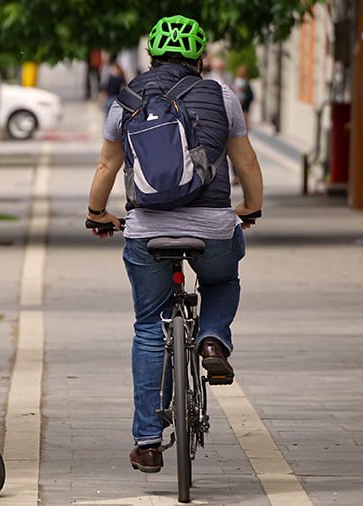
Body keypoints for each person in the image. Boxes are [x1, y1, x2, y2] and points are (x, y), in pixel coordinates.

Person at [84, 15, 264, 474]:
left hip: (146, 229)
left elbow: (107, 167)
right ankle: (210, 340)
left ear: (151, 56)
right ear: (199, 58)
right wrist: (250, 208)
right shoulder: (221, 95)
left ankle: (147, 441)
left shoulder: (125, 99)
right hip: (212, 225)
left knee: (149, 326)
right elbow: (245, 160)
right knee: (222, 281)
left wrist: (97, 215)